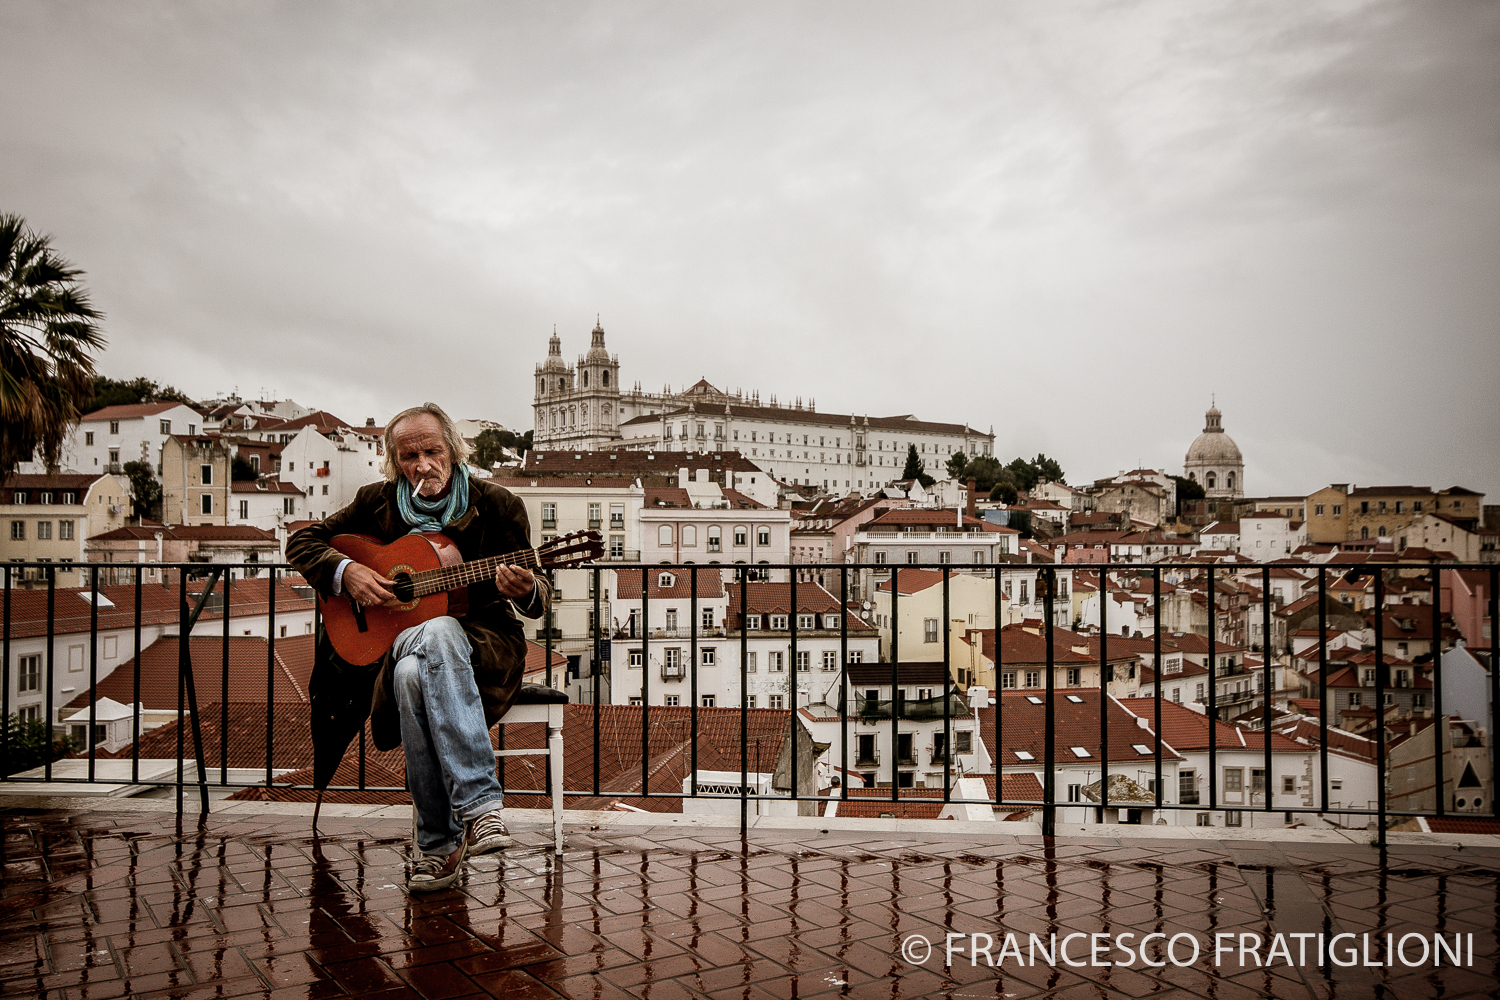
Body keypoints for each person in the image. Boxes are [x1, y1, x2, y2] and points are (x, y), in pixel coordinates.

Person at [288, 403, 549, 892]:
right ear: (394, 461)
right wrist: (350, 573)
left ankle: (438, 845)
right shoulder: (377, 503)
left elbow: (538, 600)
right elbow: (304, 541)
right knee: (430, 635)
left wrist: (527, 588)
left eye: (432, 451)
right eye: (410, 456)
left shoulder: (498, 504)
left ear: (452, 449)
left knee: (422, 660)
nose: (422, 464)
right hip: (399, 641)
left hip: (485, 643)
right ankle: (480, 810)